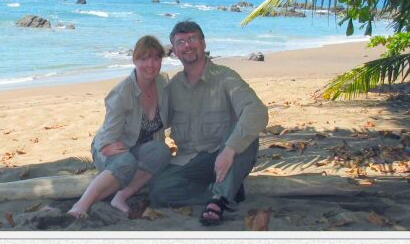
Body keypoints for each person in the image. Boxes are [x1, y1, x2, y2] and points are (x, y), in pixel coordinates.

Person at [149, 21, 268, 226]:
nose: (187, 45)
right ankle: (227, 190)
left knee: (247, 135)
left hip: (225, 155)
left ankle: (218, 199)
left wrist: (229, 151)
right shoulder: (173, 86)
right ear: (175, 51)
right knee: (158, 191)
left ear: (203, 43)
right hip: (192, 161)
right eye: (181, 42)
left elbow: (257, 111)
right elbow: (157, 122)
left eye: (192, 39)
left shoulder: (225, 77)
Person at [67, 35, 172, 218]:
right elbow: (106, 139)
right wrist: (109, 146)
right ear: (134, 60)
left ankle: (120, 197)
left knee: (163, 152)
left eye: (156, 58)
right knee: (126, 162)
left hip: (137, 147)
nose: (151, 64)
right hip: (109, 145)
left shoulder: (163, 84)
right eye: (144, 58)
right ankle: (81, 205)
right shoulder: (122, 92)